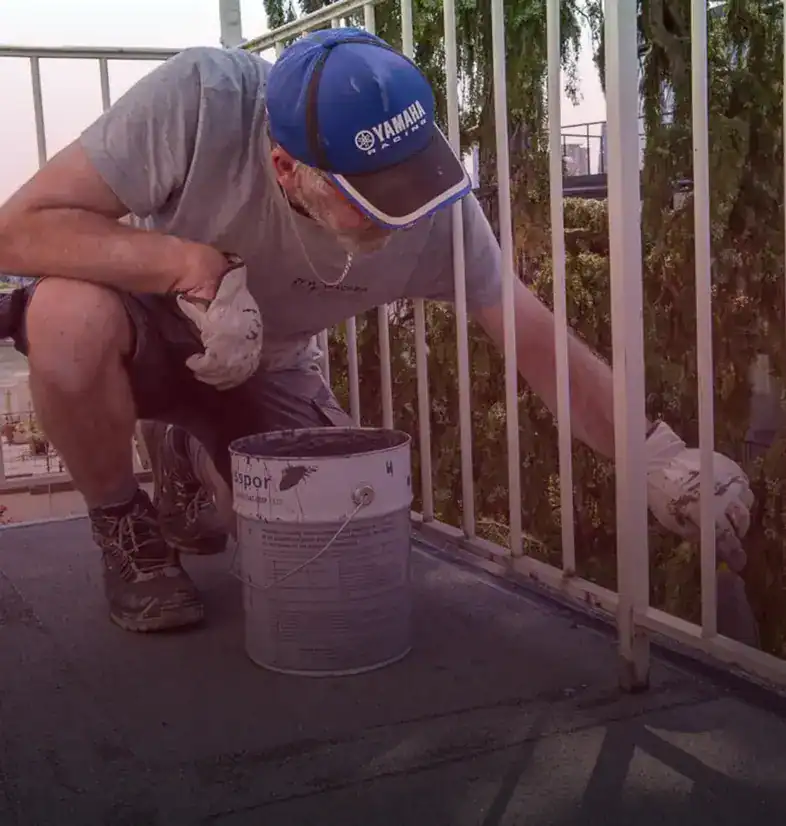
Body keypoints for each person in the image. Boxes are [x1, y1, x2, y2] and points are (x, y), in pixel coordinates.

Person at [0, 27, 754, 635]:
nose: (402, 217)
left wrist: (655, 455)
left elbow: (530, 335)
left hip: (267, 365)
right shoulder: (202, 101)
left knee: (324, 550)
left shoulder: (436, 208)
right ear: (286, 167)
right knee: (64, 317)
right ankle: (123, 523)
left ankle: (188, 453)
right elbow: (17, 231)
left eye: (410, 182)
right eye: (371, 198)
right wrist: (183, 265)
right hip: (138, 336)